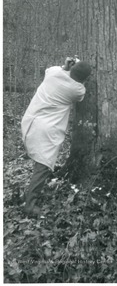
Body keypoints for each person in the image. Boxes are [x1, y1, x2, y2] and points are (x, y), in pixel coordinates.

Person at [21, 57, 91, 216]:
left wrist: (65, 67)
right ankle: (30, 205)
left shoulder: (52, 74)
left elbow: (57, 71)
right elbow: (79, 89)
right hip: (46, 129)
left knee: (40, 163)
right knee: (42, 166)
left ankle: (28, 196)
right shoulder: (78, 90)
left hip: (31, 120)